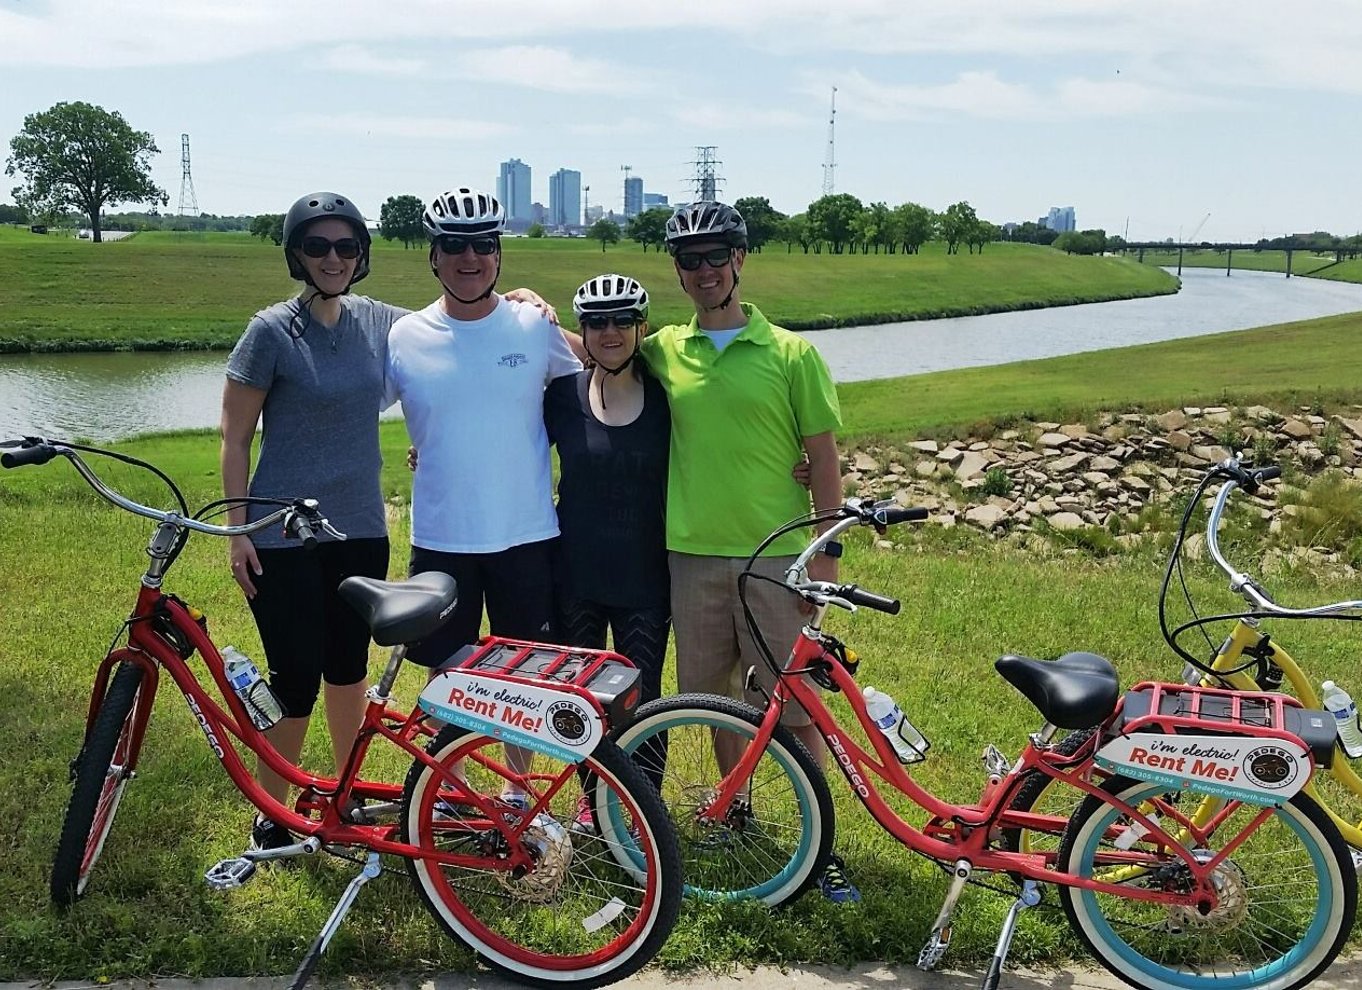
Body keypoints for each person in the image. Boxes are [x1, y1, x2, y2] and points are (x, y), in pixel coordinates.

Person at [638, 200, 855, 901]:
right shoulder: (664, 349)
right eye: (688, 259)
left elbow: (823, 457)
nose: (702, 271)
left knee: (793, 704)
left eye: (714, 256)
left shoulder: (792, 353)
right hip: (691, 555)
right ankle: (735, 812)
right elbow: (593, 346)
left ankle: (820, 845)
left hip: (777, 555)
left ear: (740, 260)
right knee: (712, 699)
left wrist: (826, 555)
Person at [384, 187, 581, 809]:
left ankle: (518, 790)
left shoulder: (532, 324)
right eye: (454, 247)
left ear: (498, 255)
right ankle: (451, 792)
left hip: (526, 532)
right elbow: (351, 409)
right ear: (433, 256)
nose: (469, 258)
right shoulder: (405, 336)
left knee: (523, 675)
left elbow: (610, 365)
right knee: (450, 673)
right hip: (443, 535)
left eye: (482, 246)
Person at [221, 191, 401, 853]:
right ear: (297, 253)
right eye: (319, 246)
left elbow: (453, 326)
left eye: (346, 246)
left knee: (348, 666)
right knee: (293, 673)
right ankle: (275, 809)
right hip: (281, 532)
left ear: (361, 255)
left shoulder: (377, 320)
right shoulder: (270, 330)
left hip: (359, 528)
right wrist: (238, 530)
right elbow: (235, 437)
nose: (333, 258)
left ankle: (344, 795)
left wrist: (523, 300)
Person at [546, 275, 671, 826]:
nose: (610, 331)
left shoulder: (669, 399)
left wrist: (799, 464)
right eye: (597, 322)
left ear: (641, 327)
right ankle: (591, 803)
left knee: (639, 703)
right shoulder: (561, 398)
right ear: (582, 331)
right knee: (582, 699)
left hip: (644, 578)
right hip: (575, 574)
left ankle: (640, 809)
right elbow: (503, 445)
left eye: (622, 320)